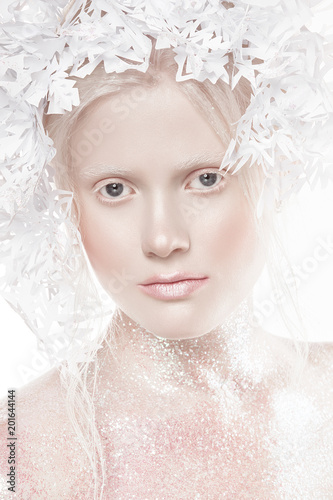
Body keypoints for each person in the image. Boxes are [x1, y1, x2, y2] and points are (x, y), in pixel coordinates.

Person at [1, 1, 333, 499]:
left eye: (205, 179)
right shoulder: (15, 444)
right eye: (115, 189)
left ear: (272, 167)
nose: (162, 239)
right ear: (66, 199)